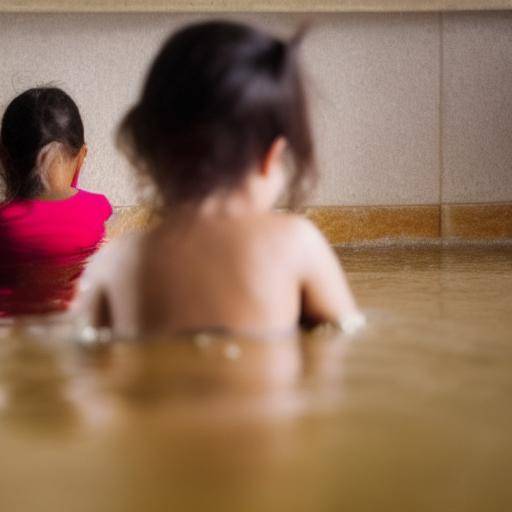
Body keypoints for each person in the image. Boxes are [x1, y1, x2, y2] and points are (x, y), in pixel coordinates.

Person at [78, 20, 364, 339]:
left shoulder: (114, 263)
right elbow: (346, 334)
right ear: (271, 157)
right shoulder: (298, 244)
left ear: (150, 149)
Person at [0, 87, 112, 317]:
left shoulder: (4, 223)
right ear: (81, 157)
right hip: (74, 328)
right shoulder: (100, 210)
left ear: (4, 158)